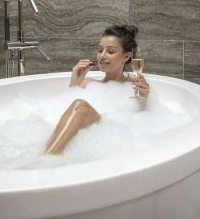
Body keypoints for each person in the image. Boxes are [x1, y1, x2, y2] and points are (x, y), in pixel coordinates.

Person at [45, 25, 150, 154]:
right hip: (85, 141)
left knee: (80, 105)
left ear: (126, 56)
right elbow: (60, 112)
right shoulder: (87, 83)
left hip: (109, 138)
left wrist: (143, 99)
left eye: (110, 52)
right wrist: (74, 84)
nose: (102, 56)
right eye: (100, 50)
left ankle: (45, 158)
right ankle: (46, 156)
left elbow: (140, 121)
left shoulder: (134, 88)